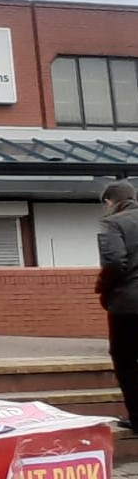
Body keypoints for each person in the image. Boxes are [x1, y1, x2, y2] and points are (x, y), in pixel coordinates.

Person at [95, 180, 138, 434]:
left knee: (125, 360)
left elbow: (114, 261)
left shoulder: (113, 223)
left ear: (110, 202)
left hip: (127, 305)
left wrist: (103, 288)